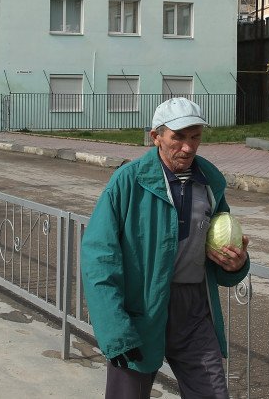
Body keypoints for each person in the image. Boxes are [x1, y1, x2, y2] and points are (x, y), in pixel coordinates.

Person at [81, 97, 250, 398]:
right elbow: (98, 256)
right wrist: (114, 330)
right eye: (178, 137)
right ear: (156, 137)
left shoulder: (210, 183)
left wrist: (237, 263)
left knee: (212, 392)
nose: (188, 147)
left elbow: (218, 249)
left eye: (195, 137)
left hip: (193, 309)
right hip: (140, 307)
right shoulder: (129, 182)